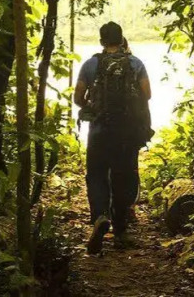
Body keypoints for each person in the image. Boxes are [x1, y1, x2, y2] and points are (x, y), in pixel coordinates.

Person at [74, 21, 152, 254]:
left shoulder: (91, 64)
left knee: (96, 175)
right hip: (126, 132)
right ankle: (120, 231)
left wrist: (91, 105)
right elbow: (147, 95)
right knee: (123, 177)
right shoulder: (135, 63)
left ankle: (100, 216)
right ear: (121, 40)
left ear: (101, 41)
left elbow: (78, 97)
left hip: (99, 130)